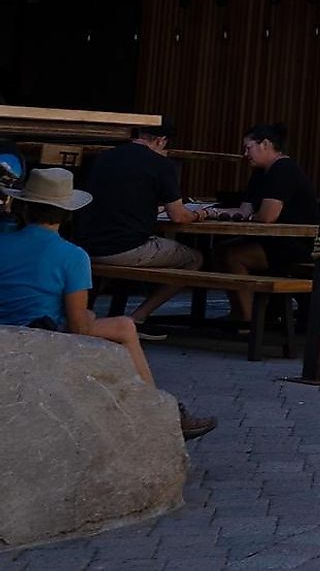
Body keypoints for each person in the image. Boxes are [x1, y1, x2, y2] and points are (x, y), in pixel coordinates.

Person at [1, 168, 215, 439]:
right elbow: (78, 325)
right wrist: (88, 317)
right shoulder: (72, 255)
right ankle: (156, 408)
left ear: (24, 205)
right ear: (68, 212)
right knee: (124, 326)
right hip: (41, 332)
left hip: (7, 329)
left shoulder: (4, 240)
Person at [72, 120, 207, 326]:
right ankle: (138, 317)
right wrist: (200, 214)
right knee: (194, 259)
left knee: (114, 259)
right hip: (125, 248)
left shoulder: (103, 158)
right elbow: (178, 216)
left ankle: (88, 313)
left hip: (86, 245)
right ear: (161, 141)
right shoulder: (161, 164)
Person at [212, 122, 320, 328]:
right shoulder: (260, 173)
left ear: (265, 144)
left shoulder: (283, 169)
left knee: (233, 256)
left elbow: (268, 216)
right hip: (272, 241)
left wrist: (249, 217)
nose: (245, 154)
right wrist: (211, 212)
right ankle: (238, 311)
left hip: (296, 244)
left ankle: (248, 320)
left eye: (248, 147)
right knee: (219, 250)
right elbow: (245, 210)